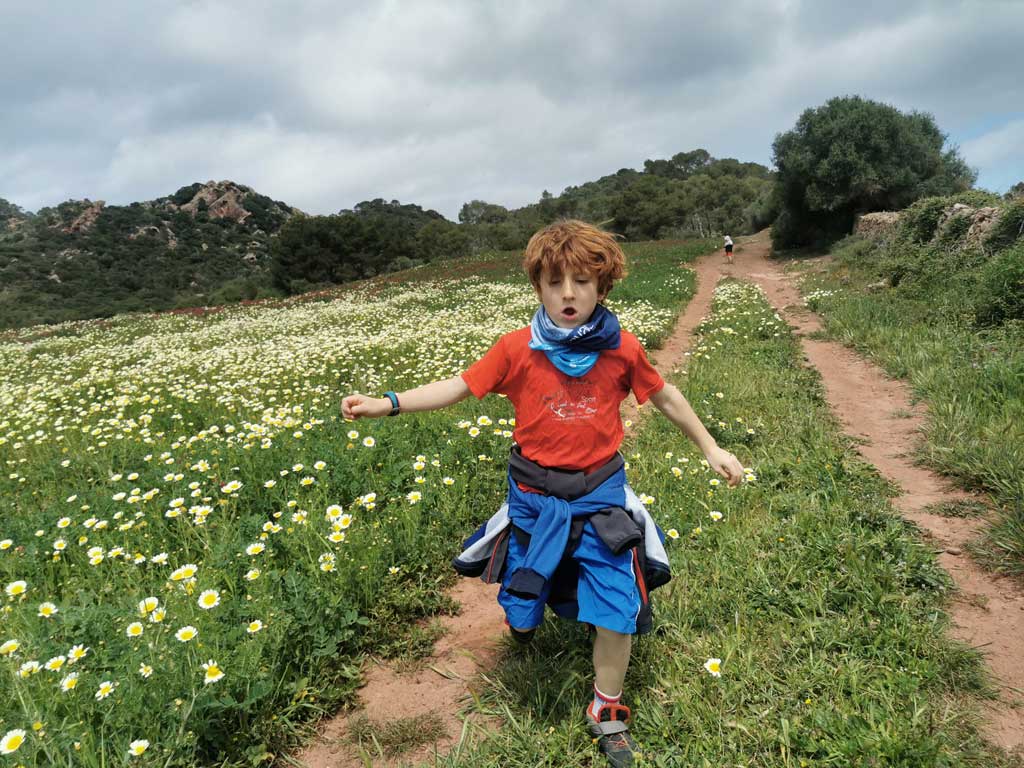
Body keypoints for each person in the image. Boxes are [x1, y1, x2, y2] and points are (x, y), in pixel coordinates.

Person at [342, 220, 744, 767]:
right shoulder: (515, 350)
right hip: (534, 498)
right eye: (555, 282)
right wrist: (386, 402)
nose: (569, 294)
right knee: (528, 593)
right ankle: (524, 619)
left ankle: (606, 708)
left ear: (603, 288)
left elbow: (665, 396)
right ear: (538, 288)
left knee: (618, 604)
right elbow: (459, 387)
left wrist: (711, 448)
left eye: (582, 281)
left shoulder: (622, 349)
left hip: (602, 498)